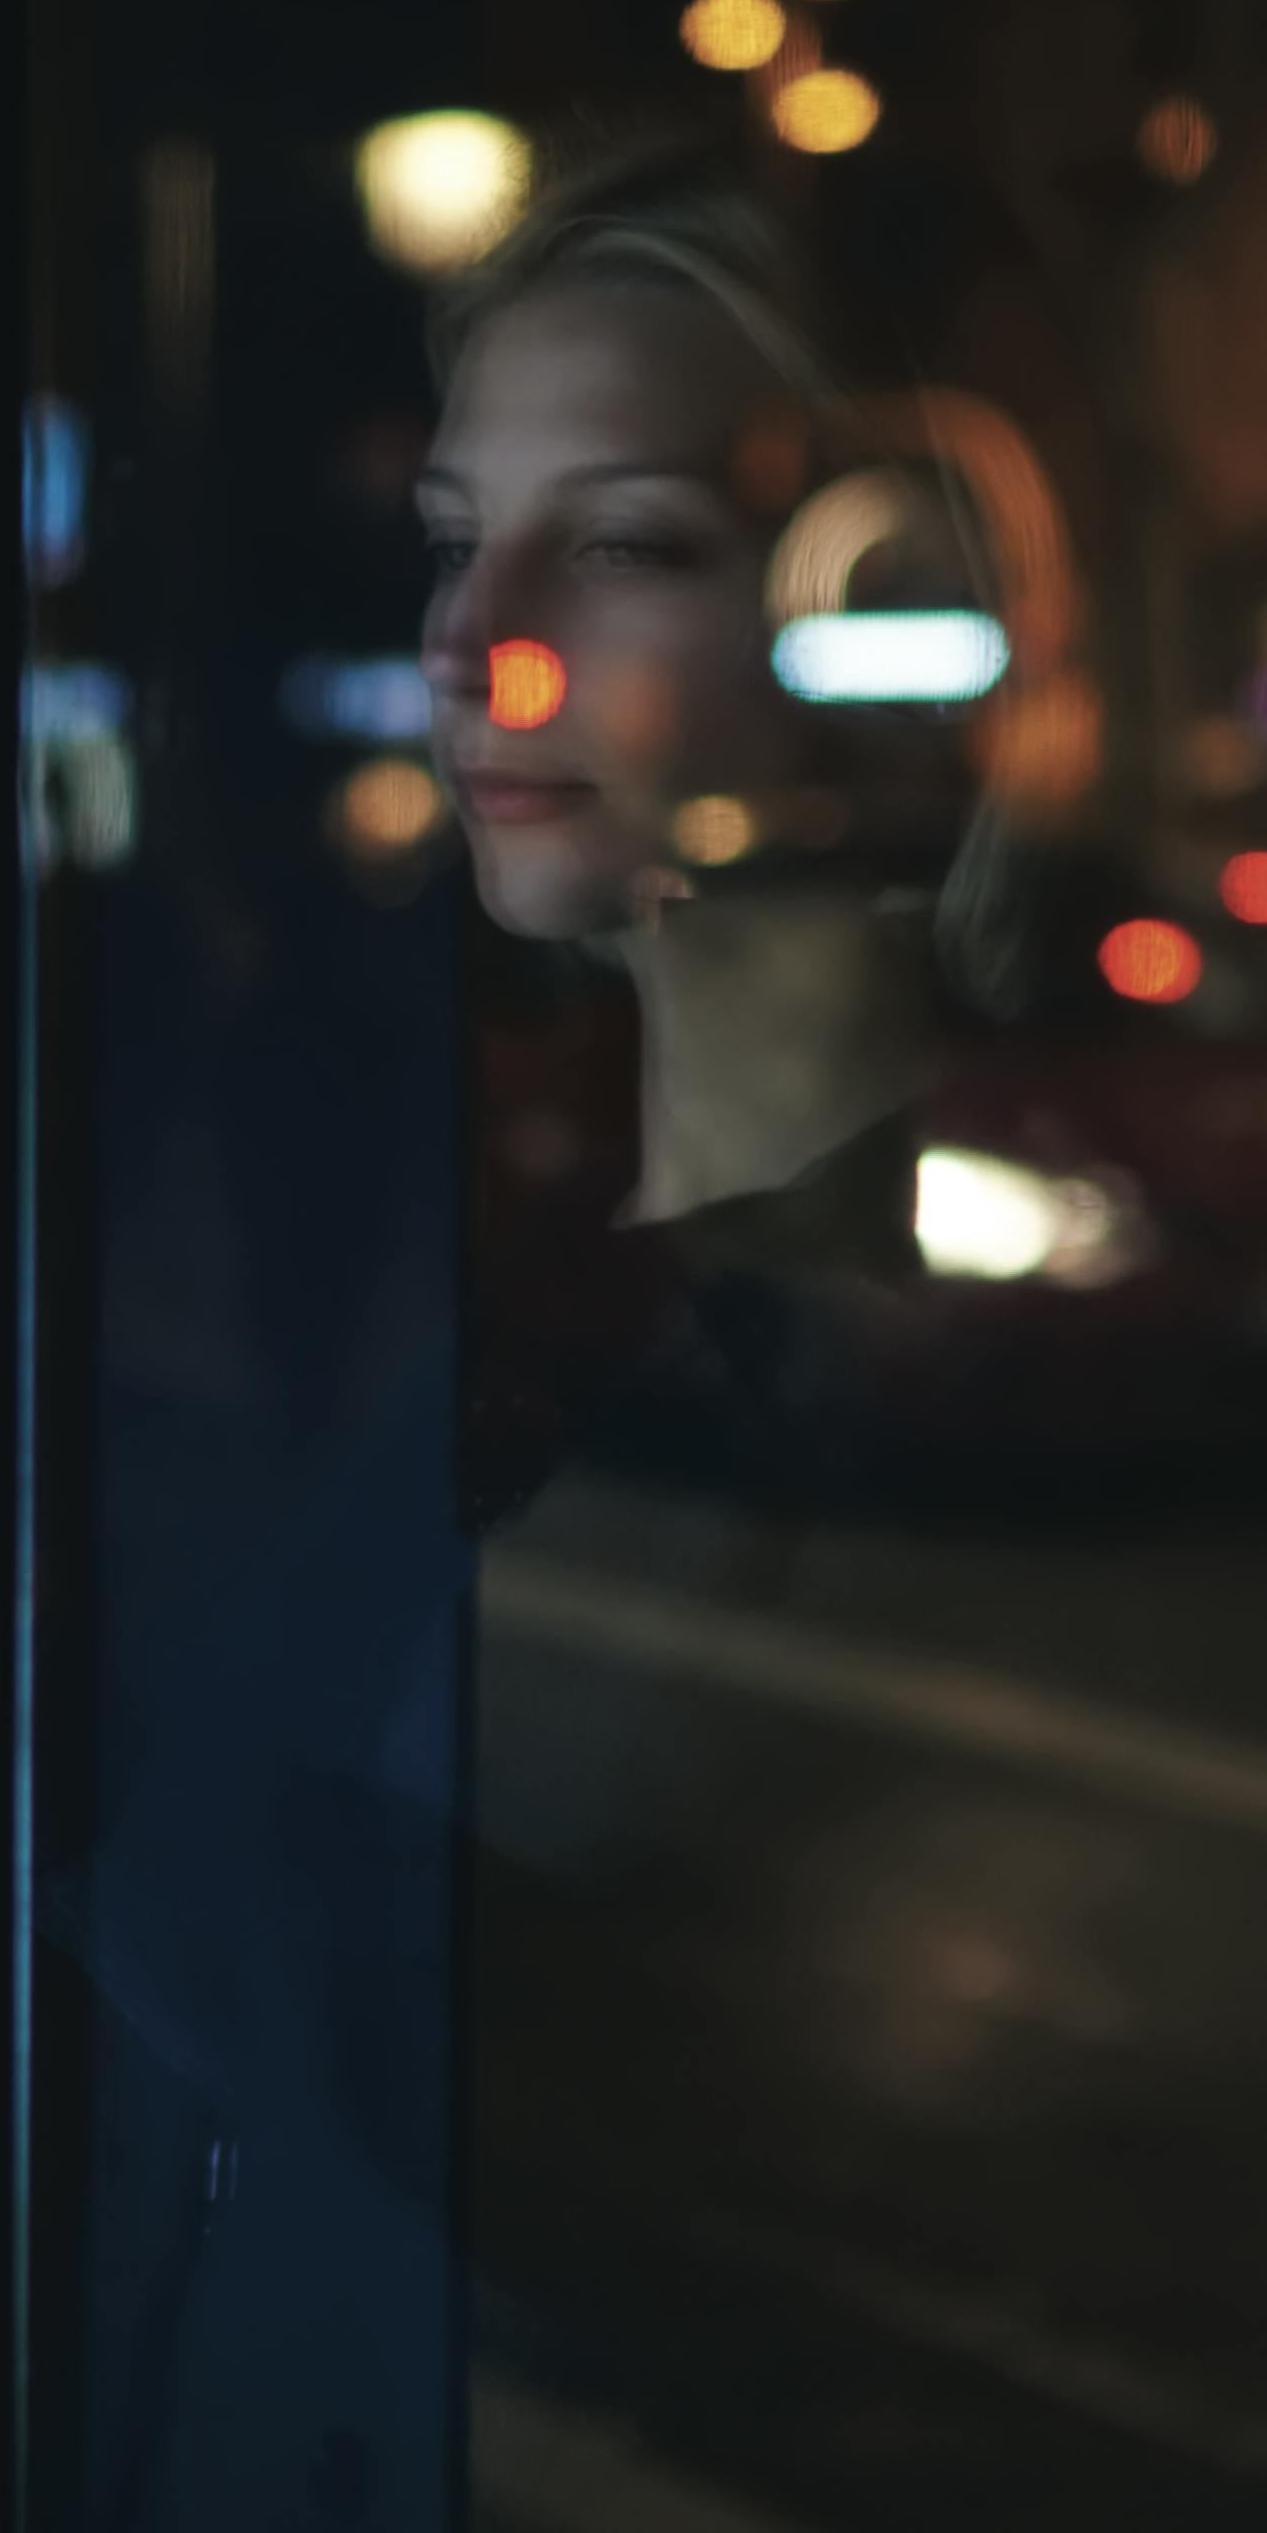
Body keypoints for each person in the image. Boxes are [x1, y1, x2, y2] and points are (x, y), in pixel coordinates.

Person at [422, 137, 1015, 1513]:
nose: (473, 643)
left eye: (624, 544)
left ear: (875, 596)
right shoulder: (505, 1280)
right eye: (454, 543)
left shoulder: (885, 1352)